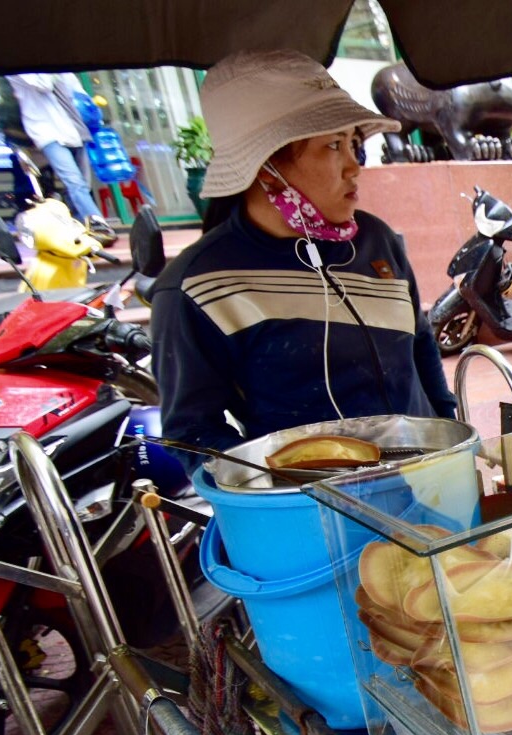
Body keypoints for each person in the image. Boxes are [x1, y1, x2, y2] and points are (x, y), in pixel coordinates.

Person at [151, 50, 456, 467]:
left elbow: (419, 344)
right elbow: (193, 432)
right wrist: (278, 492)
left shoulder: (377, 241)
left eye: (354, 143)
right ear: (265, 166)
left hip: (427, 483)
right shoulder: (196, 286)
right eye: (333, 145)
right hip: (309, 513)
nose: (354, 166)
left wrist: (447, 431)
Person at [6, 74, 115, 243]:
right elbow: (43, 84)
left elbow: (78, 92)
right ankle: (98, 225)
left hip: (75, 130)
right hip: (47, 132)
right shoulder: (18, 70)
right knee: (74, 181)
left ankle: (81, 227)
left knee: (82, 185)